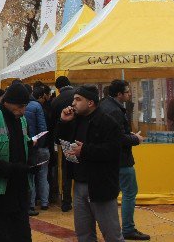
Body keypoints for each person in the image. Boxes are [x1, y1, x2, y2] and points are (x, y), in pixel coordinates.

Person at [57, 85, 123, 242]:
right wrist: (63, 122)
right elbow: (60, 141)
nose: (73, 103)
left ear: (90, 103)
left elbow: (113, 151)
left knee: (112, 234)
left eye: (78, 100)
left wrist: (85, 150)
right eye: (73, 99)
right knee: (84, 234)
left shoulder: (107, 122)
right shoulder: (75, 120)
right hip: (79, 184)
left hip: (101, 185)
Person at [0, 83, 36, 242]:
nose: (23, 111)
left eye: (25, 106)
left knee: (22, 236)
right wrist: (16, 169)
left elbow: (27, 145)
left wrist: (32, 162)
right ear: (8, 102)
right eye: (20, 106)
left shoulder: (21, 120)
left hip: (19, 194)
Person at [99, 80, 150, 240]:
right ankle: (128, 228)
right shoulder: (115, 110)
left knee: (112, 195)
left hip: (109, 159)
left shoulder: (104, 105)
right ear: (119, 94)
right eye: (127, 92)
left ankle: (112, 229)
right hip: (121, 159)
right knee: (129, 192)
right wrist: (135, 138)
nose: (130, 94)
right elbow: (119, 138)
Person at [49, 75, 76, 212]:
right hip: (81, 139)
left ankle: (66, 201)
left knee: (67, 171)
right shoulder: (78, 96)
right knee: (83, 169)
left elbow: (53, 123)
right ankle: (83, 198)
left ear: (58, 88)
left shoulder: (56, 101)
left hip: (65, 141)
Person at [24, 83, 48, 216]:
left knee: (30, 177)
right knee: (42, 175)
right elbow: (42, 128)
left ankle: (30, 204)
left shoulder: (19, 107)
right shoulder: (36, 106)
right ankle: (44, 202)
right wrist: (40, 144)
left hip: (26, 145)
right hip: (37, 145)